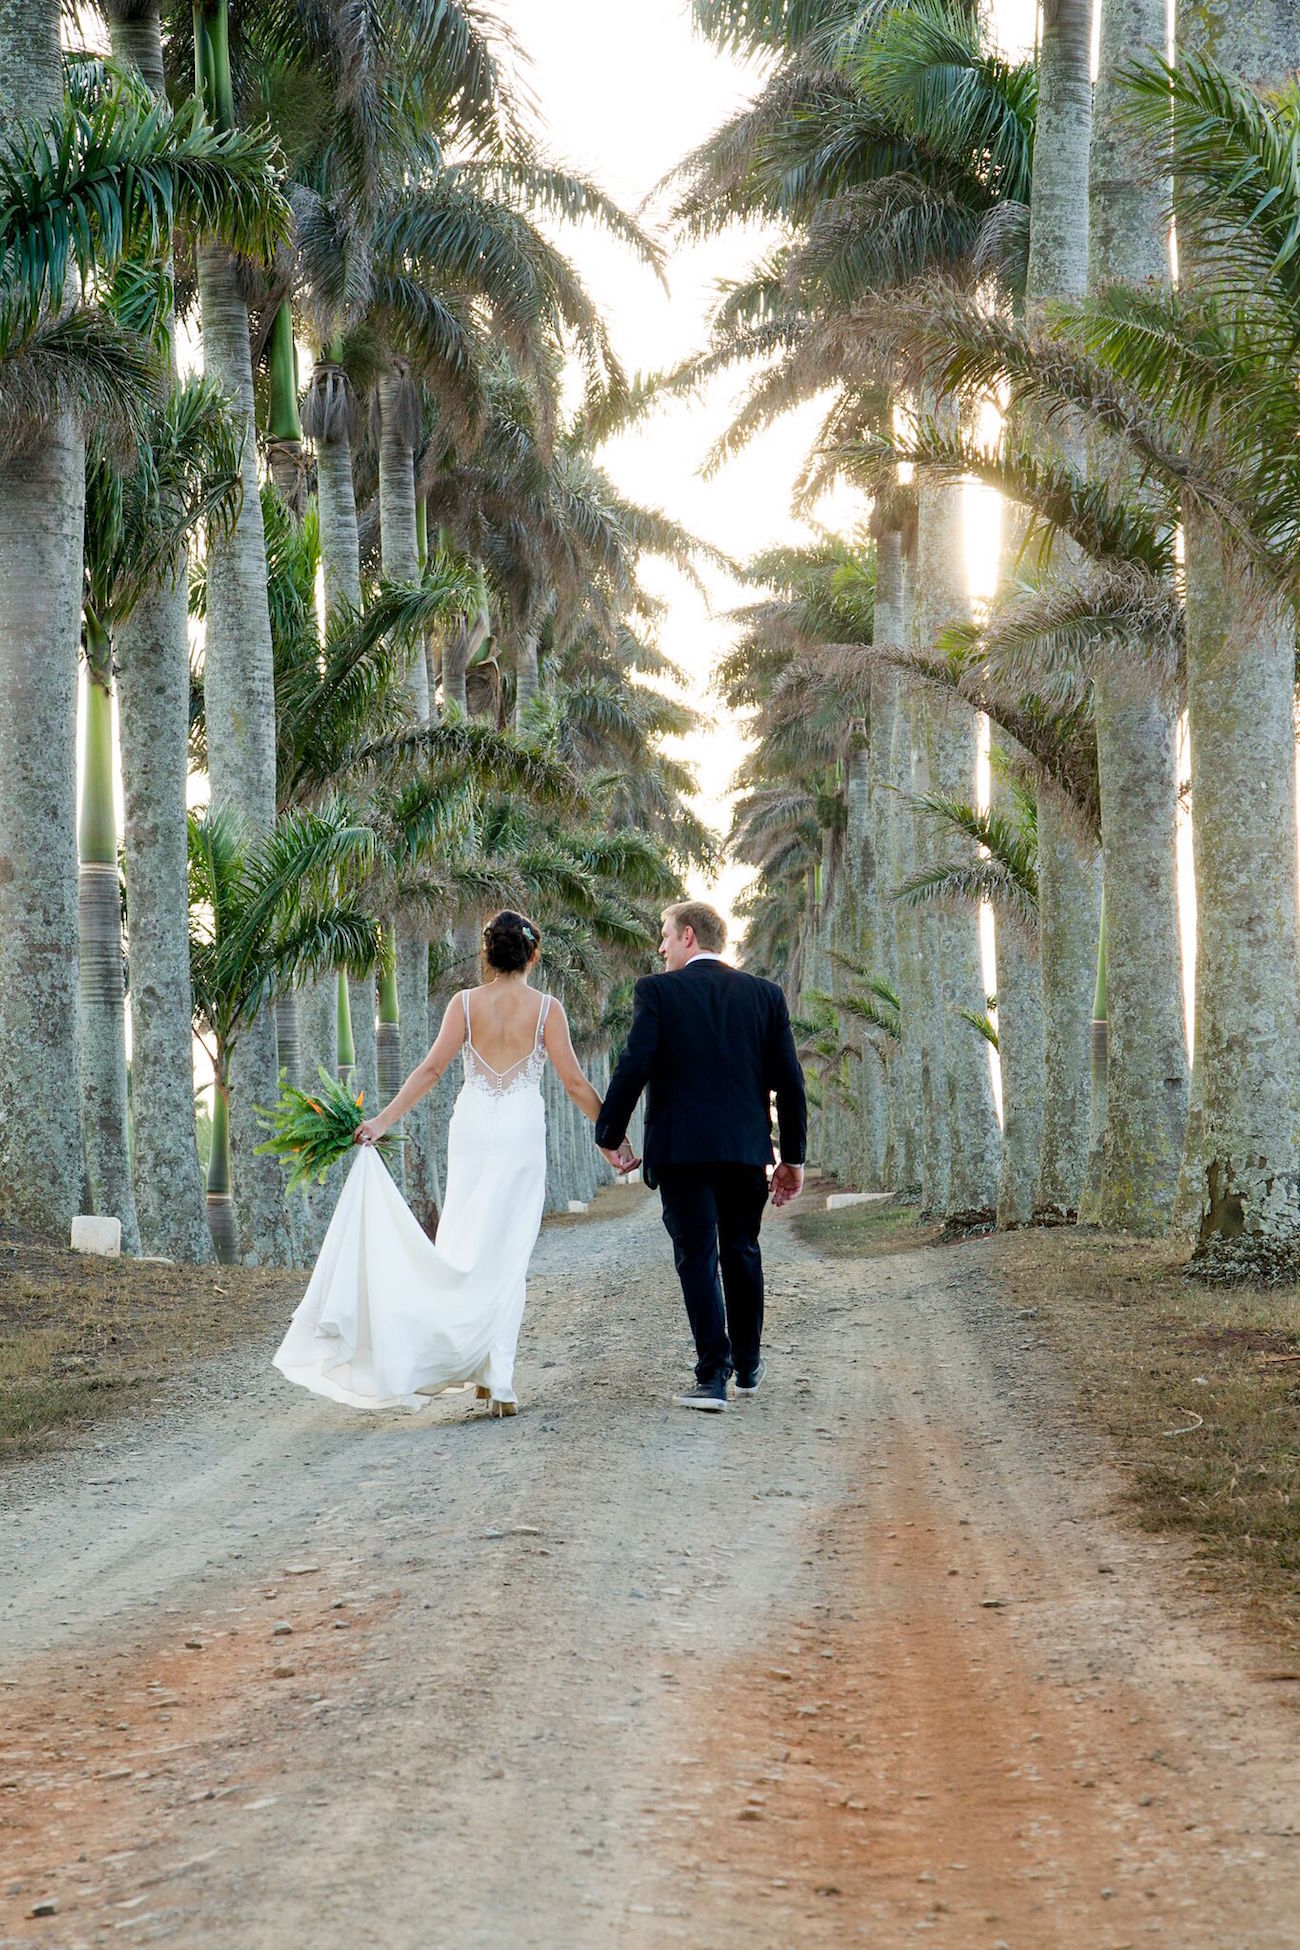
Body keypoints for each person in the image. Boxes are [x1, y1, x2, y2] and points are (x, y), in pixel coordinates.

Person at [273, 911, 602, 1417]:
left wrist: (382, 1121)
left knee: (464, 1243)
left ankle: (471, 1362)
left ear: (487, 954)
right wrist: (611, 1134)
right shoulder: (547, 1010)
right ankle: (500, 1381)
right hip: (519, 1131)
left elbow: (430, 1070)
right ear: (533, 954)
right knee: (507, 1253)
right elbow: (576, 1084)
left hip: (471, 1128)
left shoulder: (465, 1004)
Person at [594, 899, 807, 1412]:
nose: (660, 946)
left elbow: (634, 1065)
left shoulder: (658, 992)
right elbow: (790, 1084)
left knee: (697, 1256)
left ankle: (713, 1375)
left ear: (688, 936)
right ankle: (749, 1365)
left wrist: (609, 1132)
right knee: (742, 1249)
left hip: (682, 1151)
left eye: (665, 935)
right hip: (743, 1151)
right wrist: (792, 1158)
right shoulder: (765, 996)